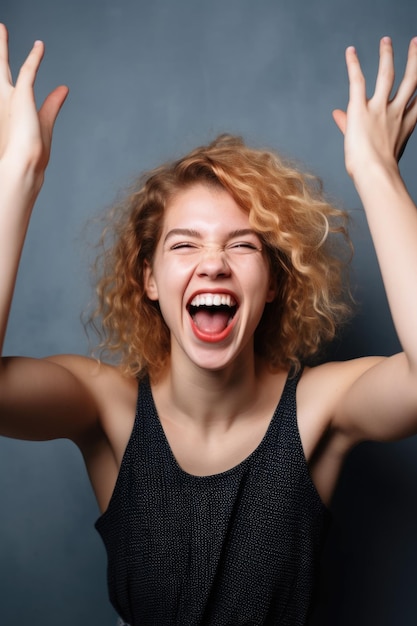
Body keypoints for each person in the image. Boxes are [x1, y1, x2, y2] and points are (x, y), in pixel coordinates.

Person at [1, 22, 417, 625]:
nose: (214, 264)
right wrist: (19, 176)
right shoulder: (106, 407)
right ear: (147, 279)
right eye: (184, 245)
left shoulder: (318, 410)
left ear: (274, 282)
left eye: (243, 245)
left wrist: (378, 175)